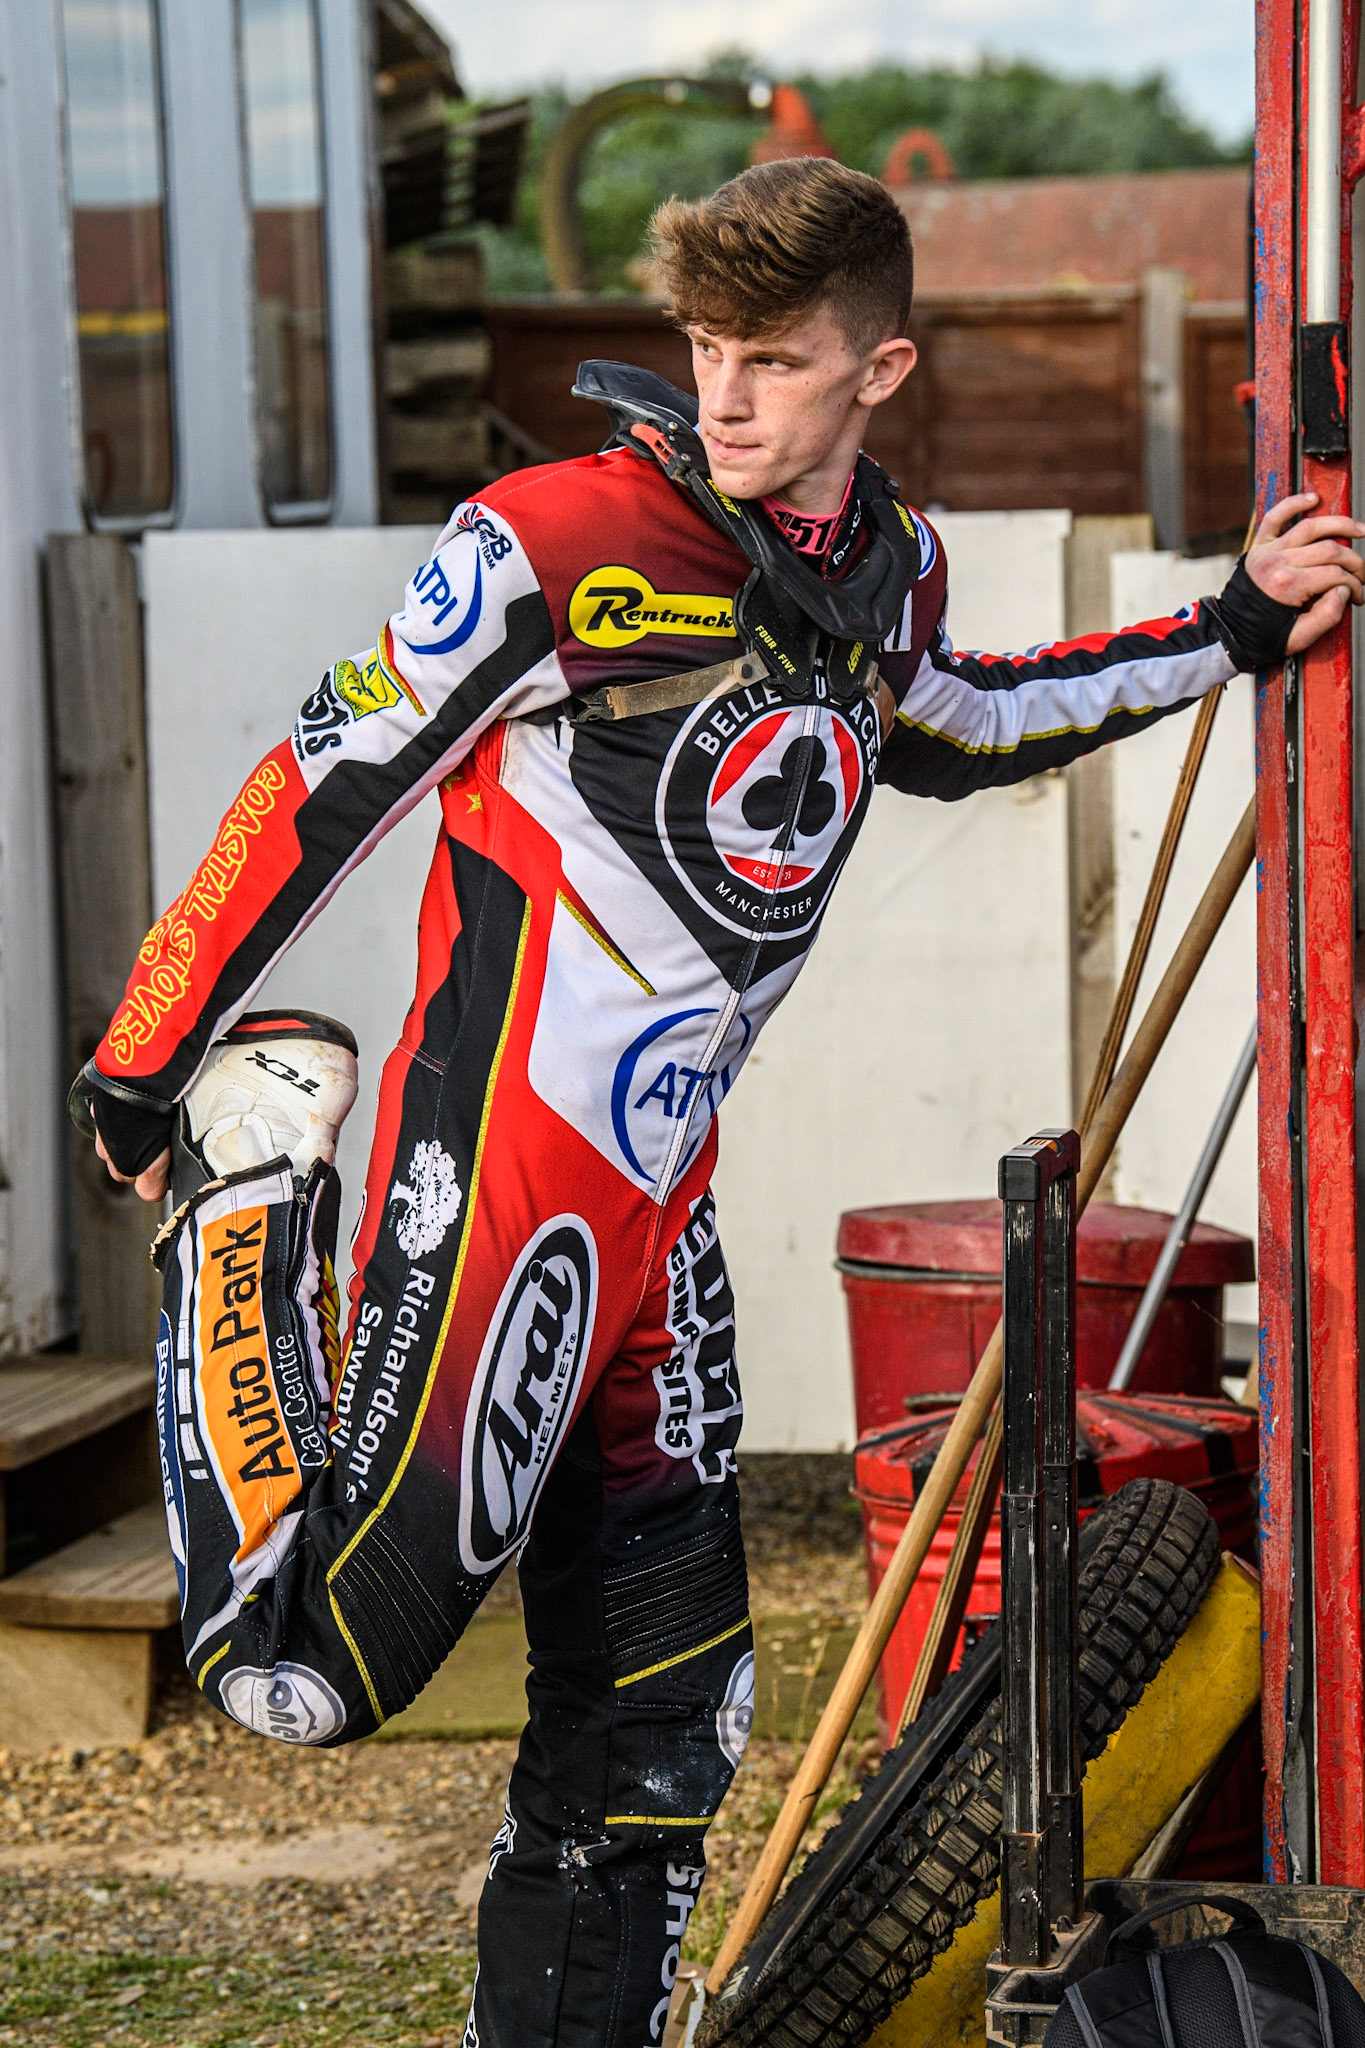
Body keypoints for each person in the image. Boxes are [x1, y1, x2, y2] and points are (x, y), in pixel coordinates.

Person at [75, 159, 1361, 2047]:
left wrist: (1232, 626)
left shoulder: (883, 568)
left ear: (883, 367)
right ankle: (247, 1193)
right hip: (504, 1167)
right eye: (700, 352)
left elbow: (964, 722)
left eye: (771, 360)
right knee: (293, 1675)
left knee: (664, 1730)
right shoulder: (550, 534)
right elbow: (320, 775)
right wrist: (149, 1051)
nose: (724, 397)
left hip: (659, 1214)